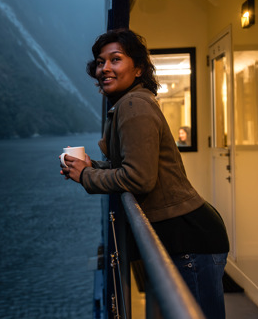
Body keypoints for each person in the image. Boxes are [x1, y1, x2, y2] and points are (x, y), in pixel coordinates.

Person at [60, 29, 229, 319]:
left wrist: (86, 177)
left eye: (116, 59)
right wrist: (91, 166)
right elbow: (128, 165)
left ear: (138, 68)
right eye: (101, 62)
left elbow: (138, 178)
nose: (105, 68)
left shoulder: (133, 105)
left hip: (189, 240)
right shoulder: (131, 102)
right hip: (186, 235)